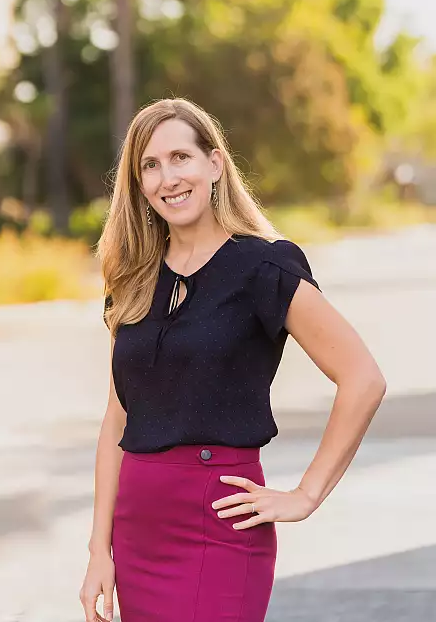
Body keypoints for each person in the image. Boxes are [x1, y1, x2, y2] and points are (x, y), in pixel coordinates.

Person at [79, 97, 386, 622]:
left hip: (220, 526)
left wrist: (306, 494)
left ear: (214, 164)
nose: (167, 177)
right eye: (149, 166)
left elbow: (363, 379)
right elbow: (118, 419)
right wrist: (97, 551)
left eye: (181, 157)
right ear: (138, 185)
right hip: (137, 527)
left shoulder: (263, 266)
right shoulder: (132, 282)